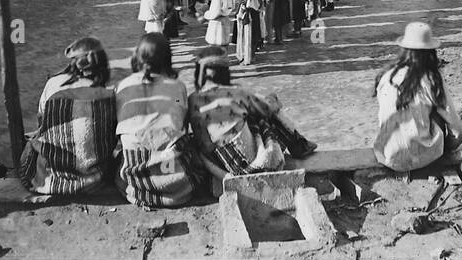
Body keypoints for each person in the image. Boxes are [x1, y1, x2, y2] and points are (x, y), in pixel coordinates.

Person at [188, 53, 315, 187]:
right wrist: (274, 100)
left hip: (220, 163)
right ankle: (299, 144)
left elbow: (202, 141)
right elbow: (267, 108)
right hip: (251, 161)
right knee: (263, 109)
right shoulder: (236, 92)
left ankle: (298, 144)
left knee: (248, 113)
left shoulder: (192, 99)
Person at [18, 38, 117, 198]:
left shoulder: (53, 84)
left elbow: (41, 122)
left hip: (47, 182)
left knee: (31, 143)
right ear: (102, 62)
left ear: (74, 62)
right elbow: (111, 137)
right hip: (93, 183)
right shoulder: (108, 95)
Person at [114, 34, 201, 209]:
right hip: (176, 183)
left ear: (138, 56)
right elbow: (182, 122)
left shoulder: (122, 86)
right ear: (167, 58)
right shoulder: (178, 87)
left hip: (134, 180)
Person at [373, 22, 462, 172]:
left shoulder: (386, 76)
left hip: (387, 155)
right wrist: (448, 147)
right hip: (424, 158)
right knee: (437, 111)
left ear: (404, 49)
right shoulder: (431, 79)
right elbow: (458, 132)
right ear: (431, 52)